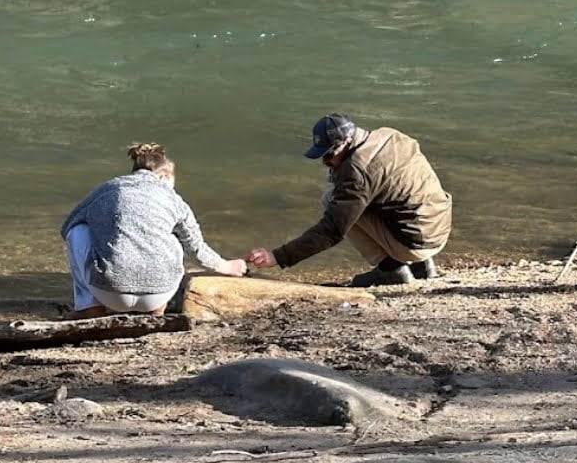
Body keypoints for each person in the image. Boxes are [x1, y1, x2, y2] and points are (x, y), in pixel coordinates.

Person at [246, 114, 452, 287]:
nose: (326, 162)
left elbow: (332, 230)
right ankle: (423, 266)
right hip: (438, 223)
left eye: (329, 155)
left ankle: (391, 269)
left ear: (345, 143)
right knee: (399, 199)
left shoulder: (357, 171)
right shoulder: (389, 135)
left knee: (331, 200)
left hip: (418, 243)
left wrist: (278, 256)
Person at [60, 142, 246, 317]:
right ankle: (157, 311)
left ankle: (89, 307)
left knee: (78, 231)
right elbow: (197, 249)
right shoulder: (174, 200)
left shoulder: (109, 189)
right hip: (158, 294)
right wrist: (228, 266)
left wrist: (104, 229)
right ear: (165, 176)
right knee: (175, 237)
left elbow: (68, 225)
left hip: (108, 292)